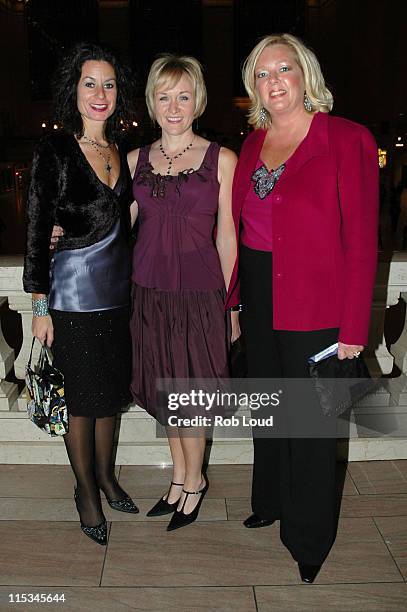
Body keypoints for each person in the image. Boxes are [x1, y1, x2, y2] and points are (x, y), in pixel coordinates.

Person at [225, 34, 379, 582]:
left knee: (313, 423)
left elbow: (362, 241)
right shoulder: (253, 142)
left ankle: (310, 539)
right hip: (263, 294)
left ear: (305, 75)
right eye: (263, 72)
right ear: (254, 86)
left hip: (317, 299)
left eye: (284, 68)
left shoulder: (347, 138)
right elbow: (243, 231)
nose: (274, 80)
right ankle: (269, 501)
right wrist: (237, 300)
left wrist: (354, 327)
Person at [23, 42, 139, 546]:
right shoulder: (54, 150)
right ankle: (86, 492)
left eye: (109, 84)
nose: (100, 93)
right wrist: (40, 304)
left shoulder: (118, 150)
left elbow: (127, 221)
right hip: (71, 300)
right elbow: (35, 231)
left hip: (117, 298)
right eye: (90, 83)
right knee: (82, 404)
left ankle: (109, 476)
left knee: (110, 396)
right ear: (74, 91)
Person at [127, 54, 238, 531]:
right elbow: (115, 231)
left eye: (184, 96)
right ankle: (178, 478)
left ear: (198, 101)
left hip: (199, 294)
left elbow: (228, 235)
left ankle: (195, 483)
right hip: (149, 293)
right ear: (153, 102)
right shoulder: (134, 161)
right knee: (164, 391)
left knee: (190, 395)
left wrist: (232, 304)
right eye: (164, 96)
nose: (174, 106)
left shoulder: (222, 159)